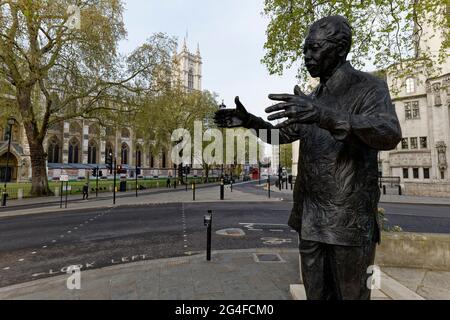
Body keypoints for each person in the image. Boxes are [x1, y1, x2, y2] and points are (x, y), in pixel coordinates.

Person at [214, 15, 402, 300]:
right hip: (311, 217)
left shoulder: (369, 87)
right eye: (305, 49)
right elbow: (281, 136)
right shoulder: (313, 98)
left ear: (339, 50)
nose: (306, 56)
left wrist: (325, 115)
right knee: (316, 295)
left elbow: (389, 132)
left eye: (314, 49)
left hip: (348, 221)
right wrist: (250, 121)